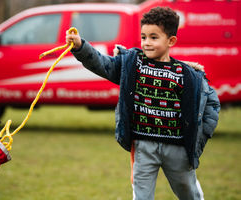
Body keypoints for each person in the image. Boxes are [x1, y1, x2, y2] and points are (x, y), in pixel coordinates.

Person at [66, 7, 220, 200]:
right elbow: (103, 64)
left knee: (189, 193)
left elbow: (212, 104)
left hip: (178, 148)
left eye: (154, 37)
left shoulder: (186, 74)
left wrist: (201, 134)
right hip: (143, 147)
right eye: (143, 37)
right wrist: (80, 47)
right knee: (141, 196)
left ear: (171, 41)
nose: (147, 43)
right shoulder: (133, 64)